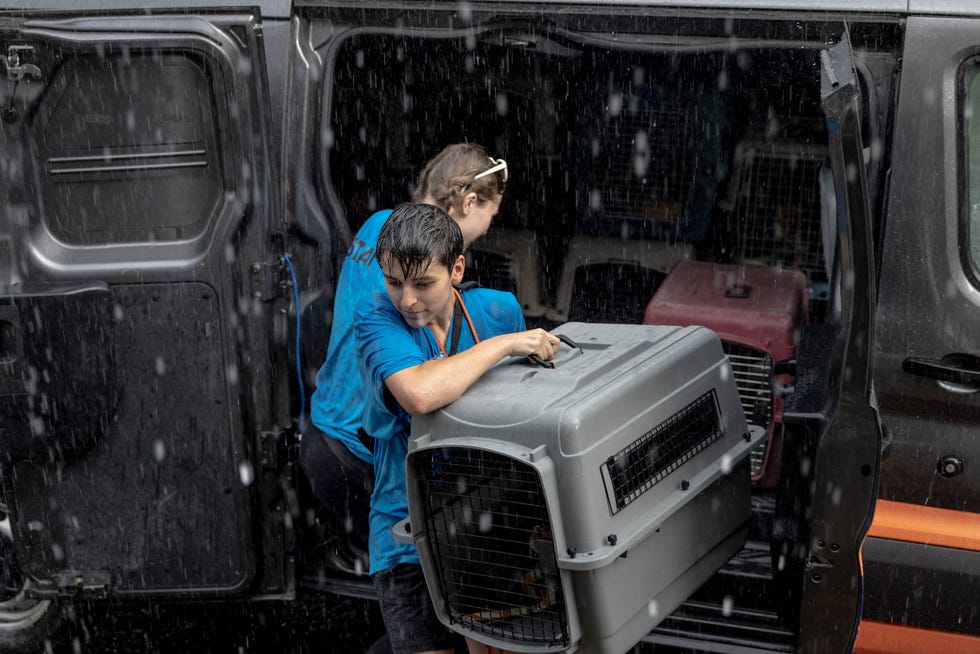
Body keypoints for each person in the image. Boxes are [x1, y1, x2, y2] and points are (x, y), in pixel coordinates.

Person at [356, 203, 559, 654]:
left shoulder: (498, 309)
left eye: (423, 283)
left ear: (457, 268)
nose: (407, 300)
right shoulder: (375, 319)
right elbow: (421, 394)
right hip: (407, 533)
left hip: (489, 523)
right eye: (393, 282)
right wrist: (503, 345)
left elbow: (522, 412)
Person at [300, 144, 508, 570]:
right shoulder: (415, 272)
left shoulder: (381, 226)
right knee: (420, 586)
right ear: (470, 202)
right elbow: (423, 383)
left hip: (323, 436)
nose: (487, 228)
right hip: (361, 455)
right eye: (491, 214)